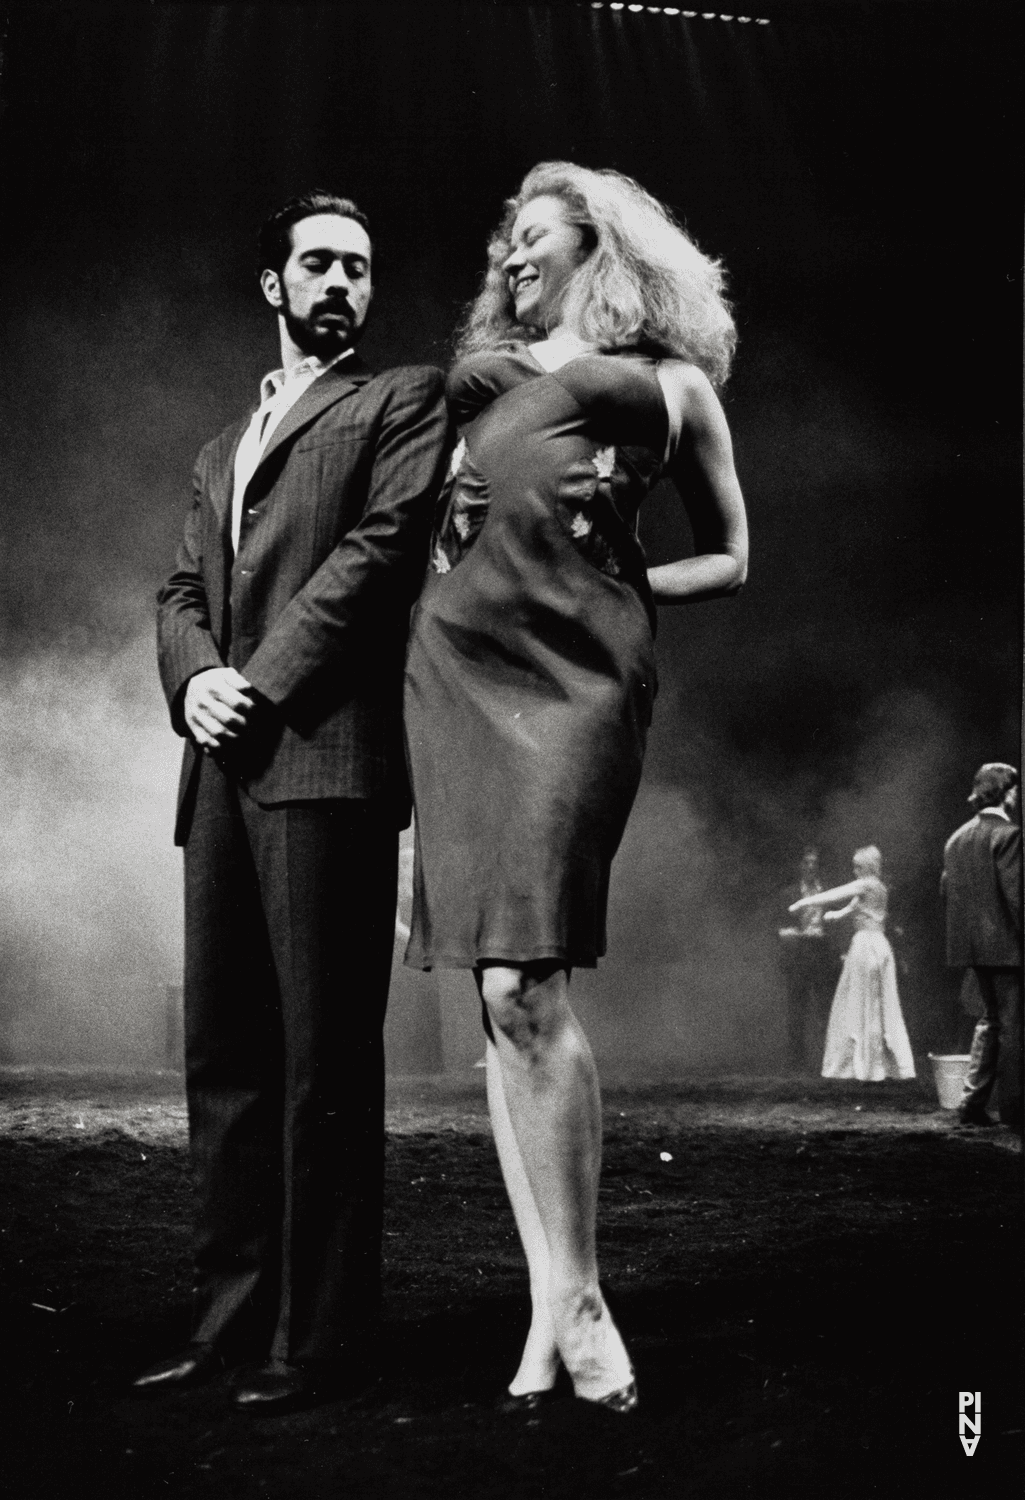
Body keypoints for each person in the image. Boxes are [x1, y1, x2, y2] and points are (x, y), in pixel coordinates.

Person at [403, 163, 748, 1412]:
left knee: (523, 975)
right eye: (502, 243)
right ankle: (552, 1305)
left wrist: (620, 588)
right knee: (501, 996)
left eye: (533, 237)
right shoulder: (481, 379)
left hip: (576, 683)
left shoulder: (671, 388)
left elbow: (733, 553)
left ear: (599, 248)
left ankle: (585, 1293)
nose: (509, 257)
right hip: (450, 670)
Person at [141, 192, 449, 1411]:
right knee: (224, 1062)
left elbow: (375, 560)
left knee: (323, 1066)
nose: (341, 284)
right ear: (271, 285)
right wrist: (196, 677)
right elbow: (176, 590)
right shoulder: (220, 448)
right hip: (219, 772)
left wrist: (251, 685)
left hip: (324, 765)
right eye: (317, 264)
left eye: (358, 269)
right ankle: (227, 1330)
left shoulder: (400, 401)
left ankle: (315, 1346)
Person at [942, 762, 1023, 1133]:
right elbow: (1017, 898)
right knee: (1012, 1027)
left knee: (990, 1022)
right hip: (1007, 948)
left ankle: (971, 1104)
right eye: (1016, 790)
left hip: (973, 950)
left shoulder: (956, 839)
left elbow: (947, 893)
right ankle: (1015, 1111)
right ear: (1006, 793)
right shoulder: (1009, 835)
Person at [789, 846, 916, 1081]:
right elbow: (854, 907)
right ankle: (875, 1063)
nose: (854, 871)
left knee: (863, 1002)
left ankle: (869, 1065)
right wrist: (837, 916)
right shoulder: (878, 888)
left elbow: (836, 894)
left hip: (868, 946)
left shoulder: (868, 884)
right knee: (874, 1004)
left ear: (867, 866)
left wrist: (802, 904)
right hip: (878, 945)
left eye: (858, 866)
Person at [777, 846, 837, 1072]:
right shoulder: (789, 893)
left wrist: (838, 950)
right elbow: (777, 926)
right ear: (800, 866)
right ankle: (796, 1063)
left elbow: (837, 925)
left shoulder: (829, 892)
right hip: (799, 953)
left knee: (825, 1008)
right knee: (797, 1010)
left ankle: (827, 1060)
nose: (811, 867)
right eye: (807, 863)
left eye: (815, 863)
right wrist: (785, 933)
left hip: (822, 952)